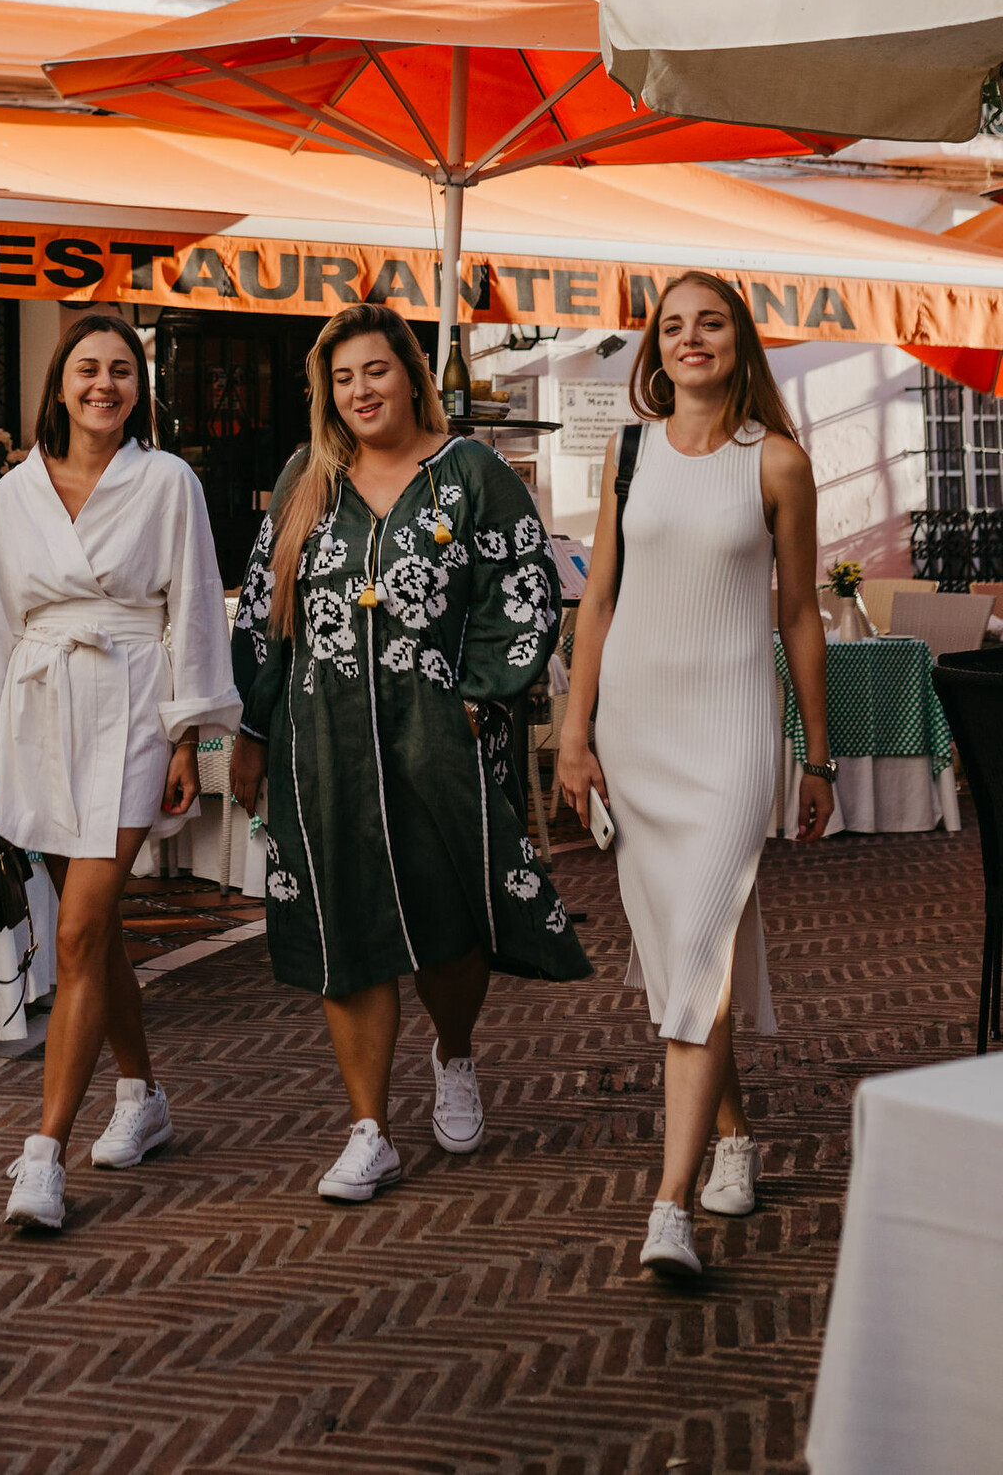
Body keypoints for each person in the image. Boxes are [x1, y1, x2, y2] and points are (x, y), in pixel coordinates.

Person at [228, 306, 588, 1205]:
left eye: (376, 372)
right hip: (327, 744)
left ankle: (455, 1052)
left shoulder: (472, 475)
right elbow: (262, 617)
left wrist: (479, 691)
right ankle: (370, 1129)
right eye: (343, 378)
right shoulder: (304, 481)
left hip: (441, 739)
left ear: (410, 376)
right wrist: (254, 729)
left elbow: (526, 583)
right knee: (346, 925)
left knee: (449, 919)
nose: (360, 391)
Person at [0, 311, 238, 1232]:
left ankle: (43, 1157)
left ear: (138, 389)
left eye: (121, 371)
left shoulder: (168, 481)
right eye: (87, 370)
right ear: (58, 385)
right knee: (94, 937)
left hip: (132, 707)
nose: (105, 385)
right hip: (36, 714)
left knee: (73, 937)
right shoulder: (14, 494)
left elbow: (191, 606)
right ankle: (140, 1093)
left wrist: (190, 735)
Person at [558, 271, 831, 1283]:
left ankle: (666, 1206)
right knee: (687, 961)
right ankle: (733, 1135)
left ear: (739, 341)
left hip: (731, 739)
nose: (690, 340)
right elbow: (597, 603)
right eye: (672, 328)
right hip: (636, 733)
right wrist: (576, 734)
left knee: (702, 950)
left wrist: (817, 750)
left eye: (708, 323)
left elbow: (798, 615)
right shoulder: (627, 453)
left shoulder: (781, 464)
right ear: (654, 351)